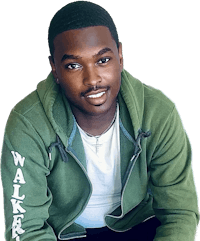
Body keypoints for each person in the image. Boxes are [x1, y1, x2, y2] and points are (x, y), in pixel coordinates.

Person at [1, 1, 199, 240]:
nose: (92, 79)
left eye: (103, 60)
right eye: (73, 65)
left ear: (120, 56)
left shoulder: (157, 113)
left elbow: (180, 213)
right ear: (55, 69)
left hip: (138, 226)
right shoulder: (28, 123)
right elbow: (26, 228)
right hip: (64, 234)